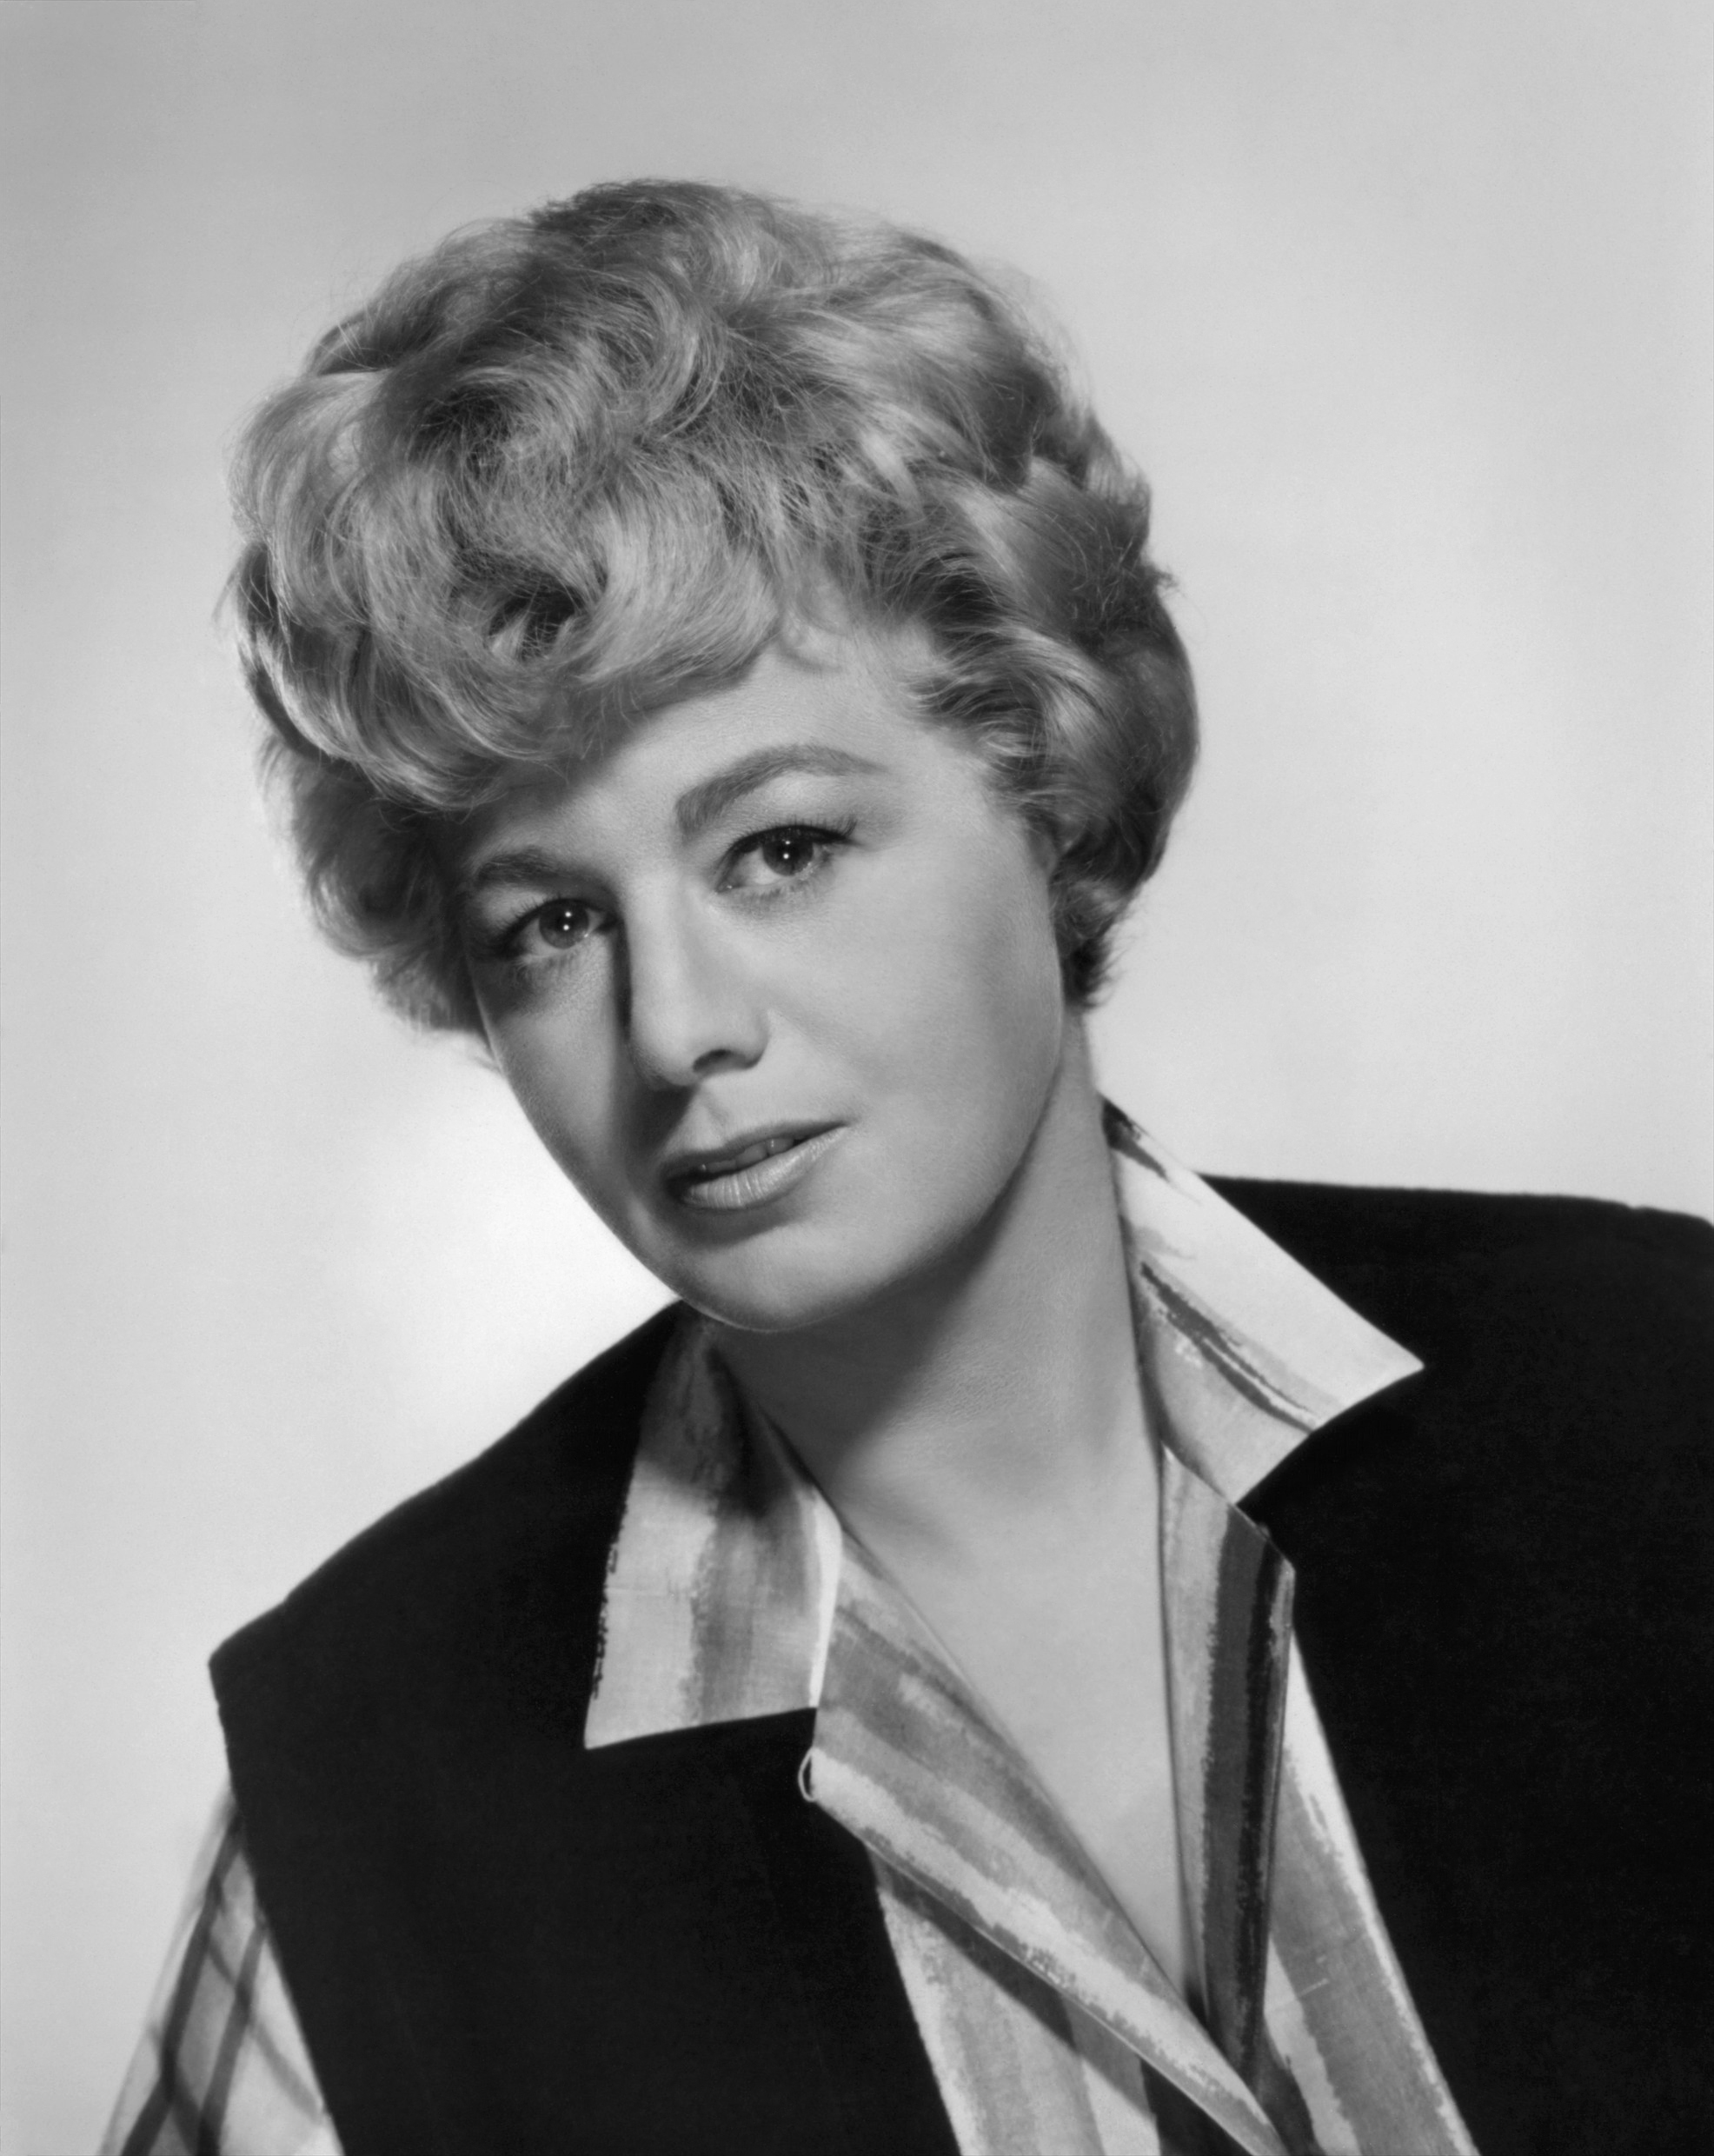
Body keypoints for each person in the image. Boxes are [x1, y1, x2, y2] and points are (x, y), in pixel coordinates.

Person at [102, 180, 1710, 2156]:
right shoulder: (371, 1793)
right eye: (551, 923)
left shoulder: (1661, 1391)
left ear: (1043, 776)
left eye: (778, 847)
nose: (678, 1027)